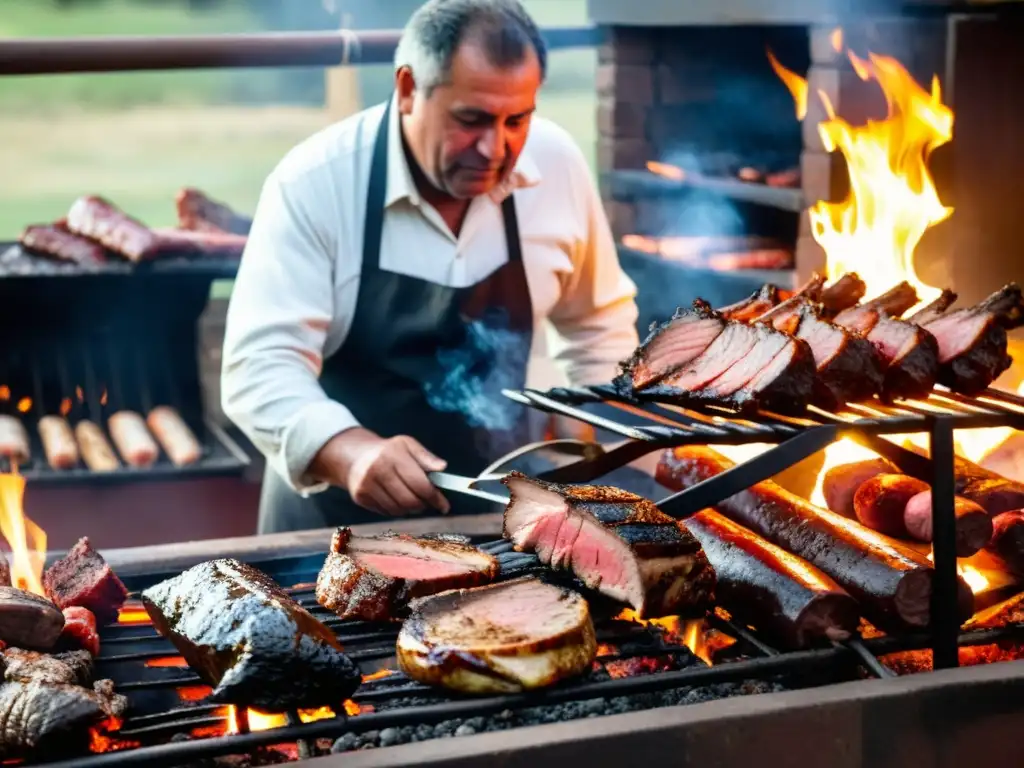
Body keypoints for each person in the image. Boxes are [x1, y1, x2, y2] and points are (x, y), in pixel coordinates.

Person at [221, 0, 640, 534]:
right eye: (471, 120)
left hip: (503, 528)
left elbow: (597, 330)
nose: (496, 147)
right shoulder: (317, 181)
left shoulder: (555, 165)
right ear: (407, 90)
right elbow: (258, 366)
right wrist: (348, 452)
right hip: (332, 534)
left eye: (518, 119)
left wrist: (612, 451)